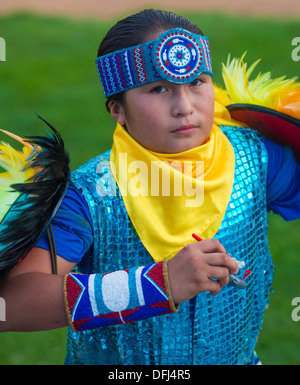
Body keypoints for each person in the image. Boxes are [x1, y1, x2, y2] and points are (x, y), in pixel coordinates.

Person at [0, 9, 299, 365]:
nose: (184, 107)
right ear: (117, 110)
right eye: (159, 89)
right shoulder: (89, 195)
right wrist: (158, 283)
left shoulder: (258, 156)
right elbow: (12, 304)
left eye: (197, 82)